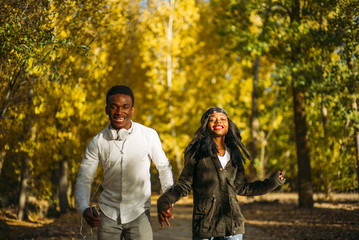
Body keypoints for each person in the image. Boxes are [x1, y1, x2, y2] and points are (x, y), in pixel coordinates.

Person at [157, 107, 286, 240]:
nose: (218, 122)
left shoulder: (235, 154)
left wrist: (272, 182)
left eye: (223, 119)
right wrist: (165, 201)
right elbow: (184, 185)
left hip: (233, 227)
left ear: (229, 124)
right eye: (212, 120)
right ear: (206, 125)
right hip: (205, 227)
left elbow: (242, 187)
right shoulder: (196, 152)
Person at [75, 85, 173, 240]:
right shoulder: (97, 142)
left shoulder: (149, 135)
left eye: (125, 107)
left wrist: (167, 201)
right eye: (113, 107)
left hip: (140, 213)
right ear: (106, 109)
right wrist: (84, 208)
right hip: (107, 215)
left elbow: (164, 168)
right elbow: (84, 179)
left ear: (132, 110)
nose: (119, 112)